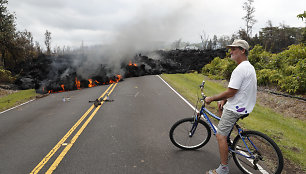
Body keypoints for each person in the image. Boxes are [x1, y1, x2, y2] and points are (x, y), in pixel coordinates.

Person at [204, 39, 257, 174]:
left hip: (236, 108)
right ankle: (227, 148)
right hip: (244, 106)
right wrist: (224, 100)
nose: (231, 51)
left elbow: (231, 91)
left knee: (220, 135)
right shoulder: (249, 66)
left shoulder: (240, 69)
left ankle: (223, 168)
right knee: (221, 110)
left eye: (234, 49)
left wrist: (211, 98)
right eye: (230, 49)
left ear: (242, 50)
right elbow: (239, 91)